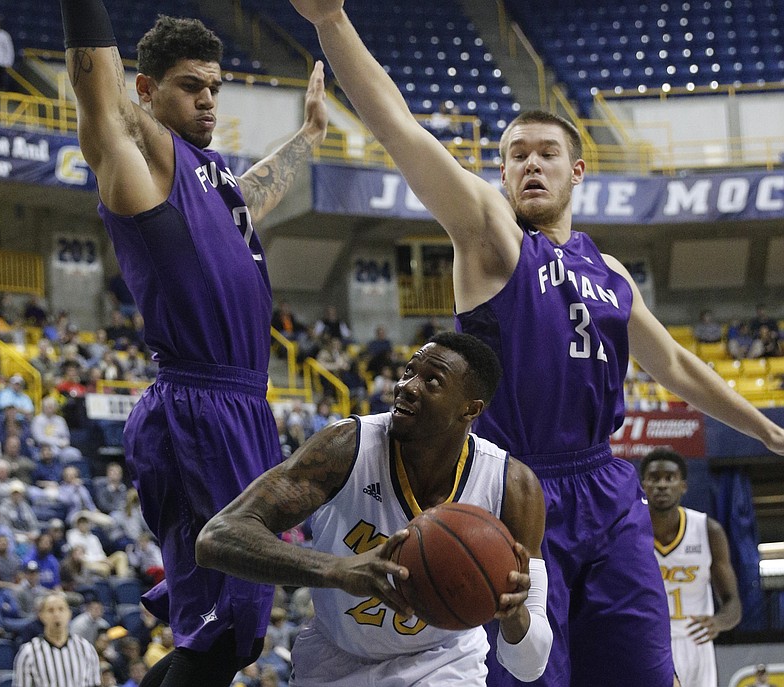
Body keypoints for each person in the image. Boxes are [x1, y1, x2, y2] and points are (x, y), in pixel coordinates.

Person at [286, 4, 784, 686]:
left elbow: (673, 364)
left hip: (608, 489)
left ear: (578, 170)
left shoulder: (608, 274)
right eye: (516, 154)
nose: (531, 165)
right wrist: (332, 22)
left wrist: (765, 430)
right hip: (513, 488)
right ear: (500, 174)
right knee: (530, 674)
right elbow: (400, 130)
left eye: (547, 153)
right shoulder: (492, 239)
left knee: (644, 672)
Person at [57, 1, 328, 685]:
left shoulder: (214, 180)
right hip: (196, 410)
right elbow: (99, 91)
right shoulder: (136, 162)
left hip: (242, 409)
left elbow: (257, 190)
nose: (208, 100)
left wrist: (310, 136)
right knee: (220, 634)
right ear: (147, 91)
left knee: (232, 636)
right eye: (190, 86)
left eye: (214, 87)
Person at [196, 332, 551, 686]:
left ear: (470, 409)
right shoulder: (345, 448)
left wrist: (514, 613)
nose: (407, 386)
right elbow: (216, 538)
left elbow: (530, 665)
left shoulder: (512, 487)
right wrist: (334, 569)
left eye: (431, 381)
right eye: (408, 371)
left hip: (443, 664)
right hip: (335, 660)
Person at [640, 449, 742, 687]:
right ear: (643, 485)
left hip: (696, 642)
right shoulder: (630, 531)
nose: (662, 485)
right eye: (654, 478)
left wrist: (719, 622)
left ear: (683, 486)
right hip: (650, 641)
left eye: (670, 478)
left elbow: (733, 603)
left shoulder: (708, 530)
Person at [13, 591, 102, 687]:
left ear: (69, 614)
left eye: (61, 609)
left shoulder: (86, 648)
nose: (56, 614)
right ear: (41, 616)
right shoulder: (28, 653)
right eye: (50, 610)